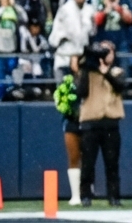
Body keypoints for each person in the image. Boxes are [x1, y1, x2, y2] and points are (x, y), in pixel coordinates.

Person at [76, 40, 126, 207]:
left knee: (112, 163)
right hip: (90, 122)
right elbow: (81, 92)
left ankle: (114, 196)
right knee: (88, 163)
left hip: (111, 122)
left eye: (108, 51)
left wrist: (106, 73)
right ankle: (85, 195)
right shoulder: (87, 72)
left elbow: (121, 87)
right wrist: (85, 66)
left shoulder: (118, 71)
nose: (104, 54)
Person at [54, 57, 83, 205]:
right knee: (73, 158)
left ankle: (87, 192)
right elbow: (59, 100)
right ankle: (75, 195)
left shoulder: (90, 78)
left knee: (88, 159)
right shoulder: (66, 81)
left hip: (88, 121)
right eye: (73, 61)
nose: (75, 64)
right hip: (72, 122)